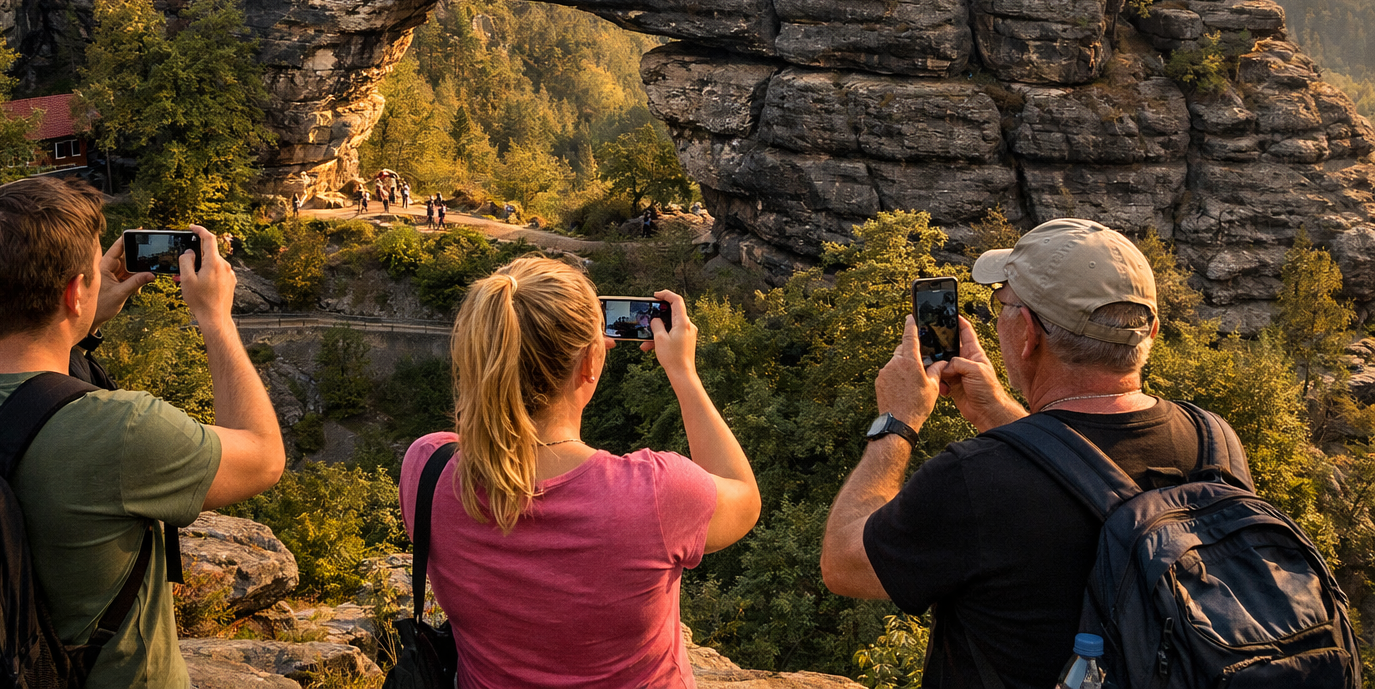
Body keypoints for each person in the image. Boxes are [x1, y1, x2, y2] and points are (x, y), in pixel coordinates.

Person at [0, 177, 285, 689]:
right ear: (74, 291)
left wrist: (77, 322)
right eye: (91, 270)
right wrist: (215, 319)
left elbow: (6, 371)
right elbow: (263, 456)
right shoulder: (122, 429)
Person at [820, 218, 1254, 689]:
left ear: (1027, 333)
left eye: (1001, 304)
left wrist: (897, 422)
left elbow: (845, 563)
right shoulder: (1214, 441)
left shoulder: (977, 478)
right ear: (1149, 330)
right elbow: (1075, 478)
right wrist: (997, 411)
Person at [399, 259, 761, 689]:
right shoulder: (656, 492)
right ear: (591, 362)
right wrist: (683, 372)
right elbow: (744, 497)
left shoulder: (428, 468)